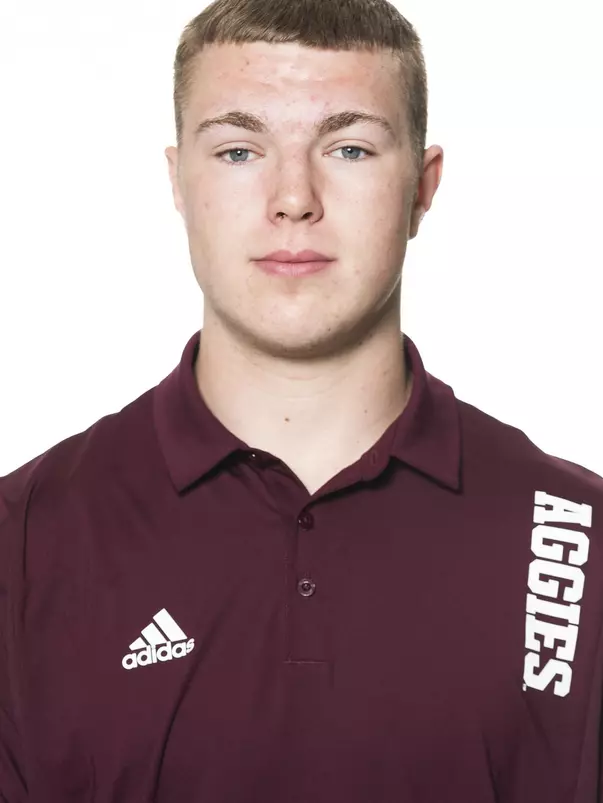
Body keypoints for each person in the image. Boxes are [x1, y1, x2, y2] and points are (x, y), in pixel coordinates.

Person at [1, 0, 602, 800]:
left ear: (422, 189)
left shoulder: (577, 541)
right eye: (240, 149)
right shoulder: (25, 541)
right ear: (177, 181)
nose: (293, 197)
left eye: (348, 147)